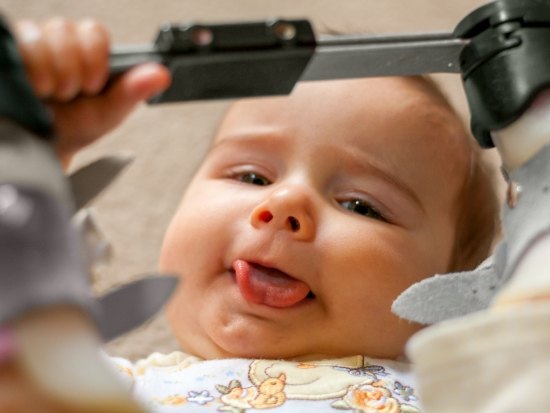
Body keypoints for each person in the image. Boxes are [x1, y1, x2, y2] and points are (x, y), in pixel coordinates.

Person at [1, 17, 500, 412]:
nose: (283, 205)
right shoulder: (101, 383)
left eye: (361, 205)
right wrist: (26, 155)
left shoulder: (467, 394)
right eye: (251, 178)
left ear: (453, 301)